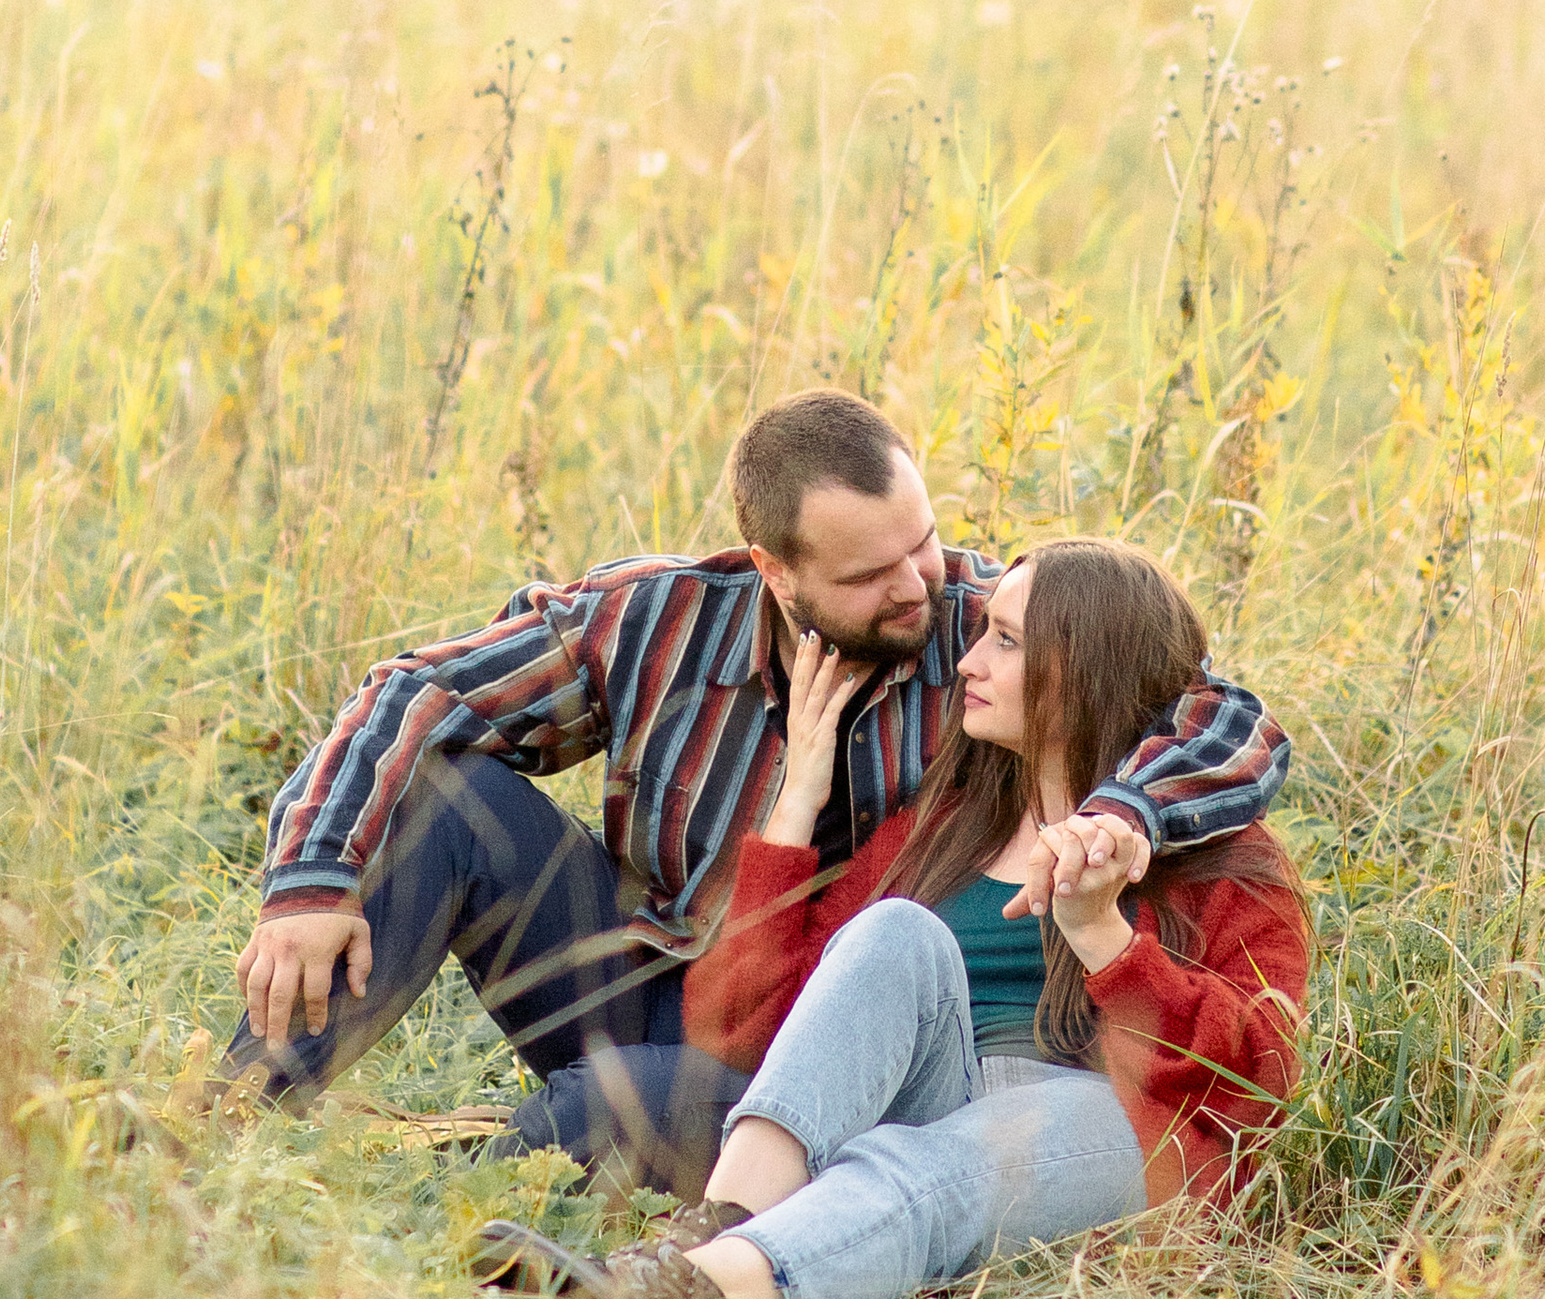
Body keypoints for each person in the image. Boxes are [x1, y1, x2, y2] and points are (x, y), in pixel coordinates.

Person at [228, 391, 1290, 1189]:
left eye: (920, 541)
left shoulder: (976, 625)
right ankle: (232, 1121)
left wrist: (1124, 815)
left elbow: (1223, 715)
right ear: (775, 572)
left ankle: (462, 1174)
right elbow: (416, 691)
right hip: (657, 983)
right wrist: (309, 885)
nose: (916, 583)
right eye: (869, 574)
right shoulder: (652, 622)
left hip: (854, 1041)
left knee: (625, 1106)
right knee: (447, 800)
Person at [472, 539, 1308, 1299]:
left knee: (920, 1165)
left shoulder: (1225, 859)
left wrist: (1102, 937)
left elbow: (1258, 1080)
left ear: (1088, 670)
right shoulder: (949, 825)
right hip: (941, 1090)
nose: (971, 663)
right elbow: (734, 1034)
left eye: (1007, 643)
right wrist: (797, 798)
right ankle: (698, 1246)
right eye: (983, 632)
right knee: (896, 929)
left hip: (1109, 1126)